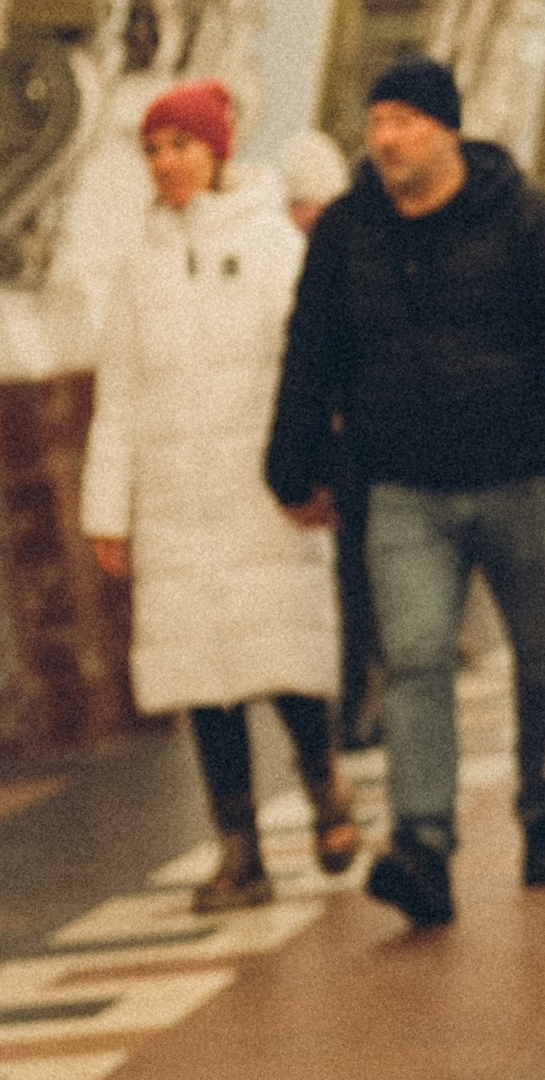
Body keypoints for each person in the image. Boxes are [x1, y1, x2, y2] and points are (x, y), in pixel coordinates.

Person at [264, 55, 545, 929]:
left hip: (520, 476)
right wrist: (291, 468)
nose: (386, 140)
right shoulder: (347, 232)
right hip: (402, 488)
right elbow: (308, 352)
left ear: (446, 128)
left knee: (542, 655)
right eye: (376, 124)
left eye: (402, 121)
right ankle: (424, 846)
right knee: (415, 658)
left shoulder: (523, 216)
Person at [81, 80, 357, 911]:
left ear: (217, 153)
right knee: (200, 675)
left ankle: (324, 788)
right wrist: (108, 511)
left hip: (260, 488)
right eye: (155, 150)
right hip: (173, 503)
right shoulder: (136, 268)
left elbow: (313, 365)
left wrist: (314, 469)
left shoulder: (275, 245)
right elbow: (119, 395)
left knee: (282, 657)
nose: (167, 164)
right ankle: (239, 852)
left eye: (182, 146)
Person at [277, 126, 379, 746]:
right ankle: (359, 705)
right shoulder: (296, 256)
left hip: (360, 446)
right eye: (296, 204)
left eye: (311, 203)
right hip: (331, 451)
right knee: (352, 584)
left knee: (363, 582)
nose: (303, 216)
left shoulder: (347, 250)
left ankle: (365, 702)